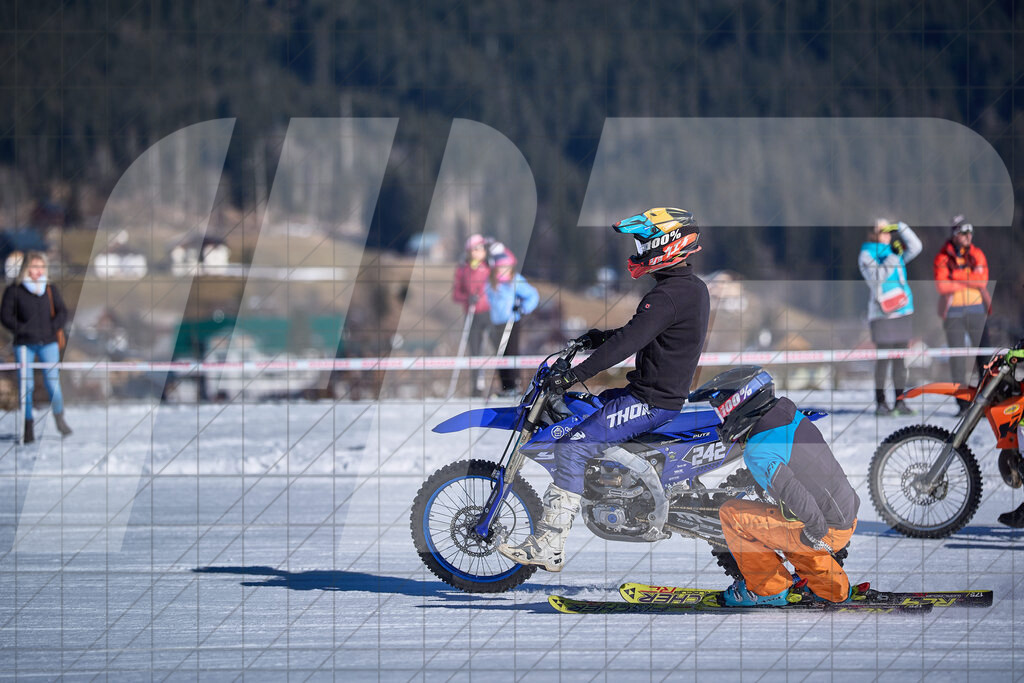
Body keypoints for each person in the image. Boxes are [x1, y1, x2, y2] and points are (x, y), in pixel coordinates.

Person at [497, 207, 709, 571]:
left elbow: (626, 345)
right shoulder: (688, 289)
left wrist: (571, 375)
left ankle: (548, 545)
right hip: (653, 395)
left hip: (650, 401)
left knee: (572, 447)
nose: (638, 251)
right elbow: (641, 332)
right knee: (585, 410)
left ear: (666, 245)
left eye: (643, 244)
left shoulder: (666, 296)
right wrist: (599, 337)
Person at [689, 366, 860, 605]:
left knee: (731, 514)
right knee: (789, 528)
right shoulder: (791, 418)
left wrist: (816, 529)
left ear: (737, 405)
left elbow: (792, 490)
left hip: (825, 527)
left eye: (721, 412)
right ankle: (832, 590)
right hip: (845, 516)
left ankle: (768, 590)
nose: (721, 420)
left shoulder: (759, 448)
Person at [0, 251, 73, 443]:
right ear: (26, 268)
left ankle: (59, 417)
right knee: (27, 385)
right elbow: (5, 316)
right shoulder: (14, 290)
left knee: (52, 382)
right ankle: (28, 425)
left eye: (41, 267)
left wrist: (53, 327)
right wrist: (22, 329)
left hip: (48, 342)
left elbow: (62, 312)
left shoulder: (49, 289)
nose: (38, 271)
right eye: (34, 266)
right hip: (24, 344)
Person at [858, 219, 922, 415]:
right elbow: (877, 277)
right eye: (882, 230)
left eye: (888, 230)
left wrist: (901, 227)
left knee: (900, 361)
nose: (887, 234)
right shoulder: (866, 254)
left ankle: (900, 402)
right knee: (883, 361)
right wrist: (894, 256)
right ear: (872, 234)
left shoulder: (894, 251)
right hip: (882, 315)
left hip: (903, 311)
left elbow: (916, 247)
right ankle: (881, 403)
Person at [934, 216, 991, 416]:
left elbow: (982, 281)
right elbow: (942, 286)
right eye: (964, 233)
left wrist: (956, 276)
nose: (968, 236)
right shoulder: (943, 257)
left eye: (970, 233)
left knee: (985, 359)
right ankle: (963, 405)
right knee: (957, 361)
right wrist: (970, 278)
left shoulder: (977, 254)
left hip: (977, 311)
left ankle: (985, 402)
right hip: (954, 313)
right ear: (955, 234)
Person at [484, 242, 538, 396]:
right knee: (500, 355)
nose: (503, 270)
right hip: (496, 322)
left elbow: (533, 295)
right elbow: (485, 298)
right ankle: (505, 386)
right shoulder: (491, 282)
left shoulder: (515, 280)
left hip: (511, 321)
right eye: (500, 267)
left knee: (511, 353)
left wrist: (522, 307)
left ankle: (514, 385)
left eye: (506, 267)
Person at [452, 234, 493, 396]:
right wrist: (467, 298)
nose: (480, 251)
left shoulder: (490, 267)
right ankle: (477, 387)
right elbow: (456, 294)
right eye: (476, 248)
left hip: (489, 313)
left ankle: (505, 385)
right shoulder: (463, 269)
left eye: (482, 248)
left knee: (495, 347)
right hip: (472, 313)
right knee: (475, 351)